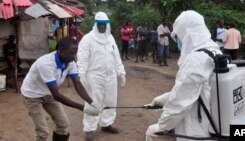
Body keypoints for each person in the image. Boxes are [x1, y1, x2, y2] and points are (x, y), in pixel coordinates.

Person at [144, 10, 222, 141]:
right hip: (212, 125)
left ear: (187, 35)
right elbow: (196, 90)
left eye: (179, 37)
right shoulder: (214, 50)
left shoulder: (195, 59)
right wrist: (162, 99)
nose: (179, 42)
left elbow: (180, 102)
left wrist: (161, 126)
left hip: (196, 130)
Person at [21, 37, 100, 141]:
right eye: (72, 53)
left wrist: (92, 103)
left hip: (48, 94)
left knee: (63, 125)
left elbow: (78, 85)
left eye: (75, 53)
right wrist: (83, 108)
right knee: (43, 132)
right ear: (61, 50)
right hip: (32, 96)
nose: (74, 56)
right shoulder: (46, 63)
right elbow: (57, 95)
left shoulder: (70, 63)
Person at [77, 12, 126, 141]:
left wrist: (121, 73)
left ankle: (106, 123)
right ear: (96, 24)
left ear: (107, 24)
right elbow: (82, 59)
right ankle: (89, 128)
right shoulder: (88, 39)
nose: (103, 27)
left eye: (105, 24)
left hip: (110, 76)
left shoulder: (110, 38)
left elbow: (116, 57)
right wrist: (81, 75)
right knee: (93, 101)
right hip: (94, 76)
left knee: (110, 101)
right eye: (100, 24)